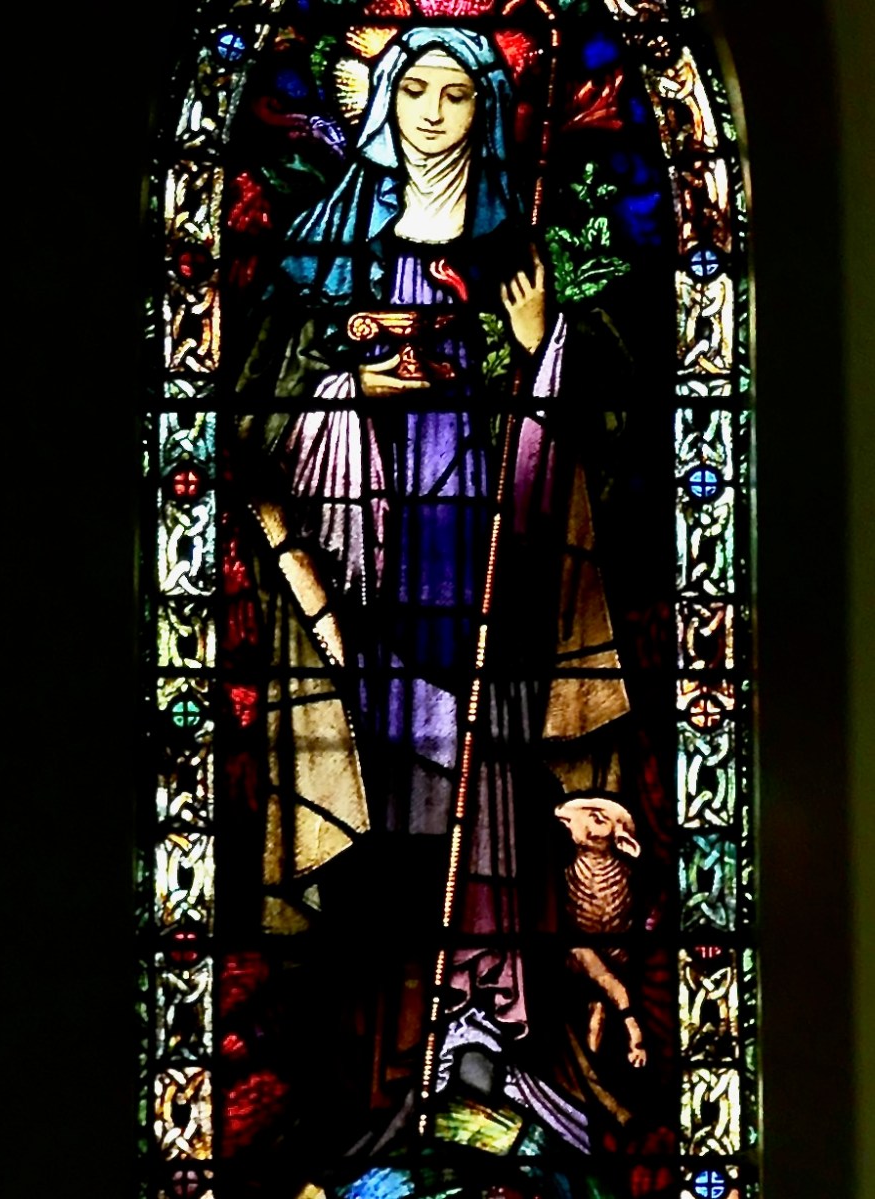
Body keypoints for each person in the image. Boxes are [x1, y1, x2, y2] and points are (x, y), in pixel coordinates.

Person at [238, 23, 637, 1165]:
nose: (428, 111)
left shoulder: (521, 252)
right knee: (386, 801)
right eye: (411, 86)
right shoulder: (326, 253)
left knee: (487, 788)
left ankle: (486, 1038)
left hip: (492, 571)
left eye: (455, 93)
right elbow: (250, 428)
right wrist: (344, 390)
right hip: (364, 578)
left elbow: (609, 447)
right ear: (381, 104)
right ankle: (381, 1068)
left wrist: (541, 345)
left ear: (486, 113)